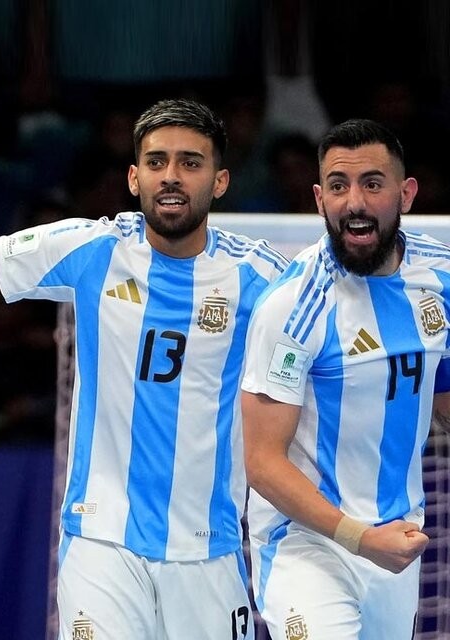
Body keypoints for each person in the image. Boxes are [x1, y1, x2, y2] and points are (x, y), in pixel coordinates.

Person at [0, 99, 289, 639]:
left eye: (191, 163)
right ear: (134, 178)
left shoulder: (263, 277)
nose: (172, 177)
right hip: (101, 543)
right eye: (158, 162)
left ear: (221, 180)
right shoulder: (93, 248)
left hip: (210, 549)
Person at [241, 118, 450, 639]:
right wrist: (360, 538)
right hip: (305, 541)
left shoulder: (441, 279)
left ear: (406, 194)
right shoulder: (291, 307)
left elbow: (441, 392)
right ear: (319, 198)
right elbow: (263, 462)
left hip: (397, 538)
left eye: (372, 184)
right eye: (338, 185)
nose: (354, 201)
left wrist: (379, 543)